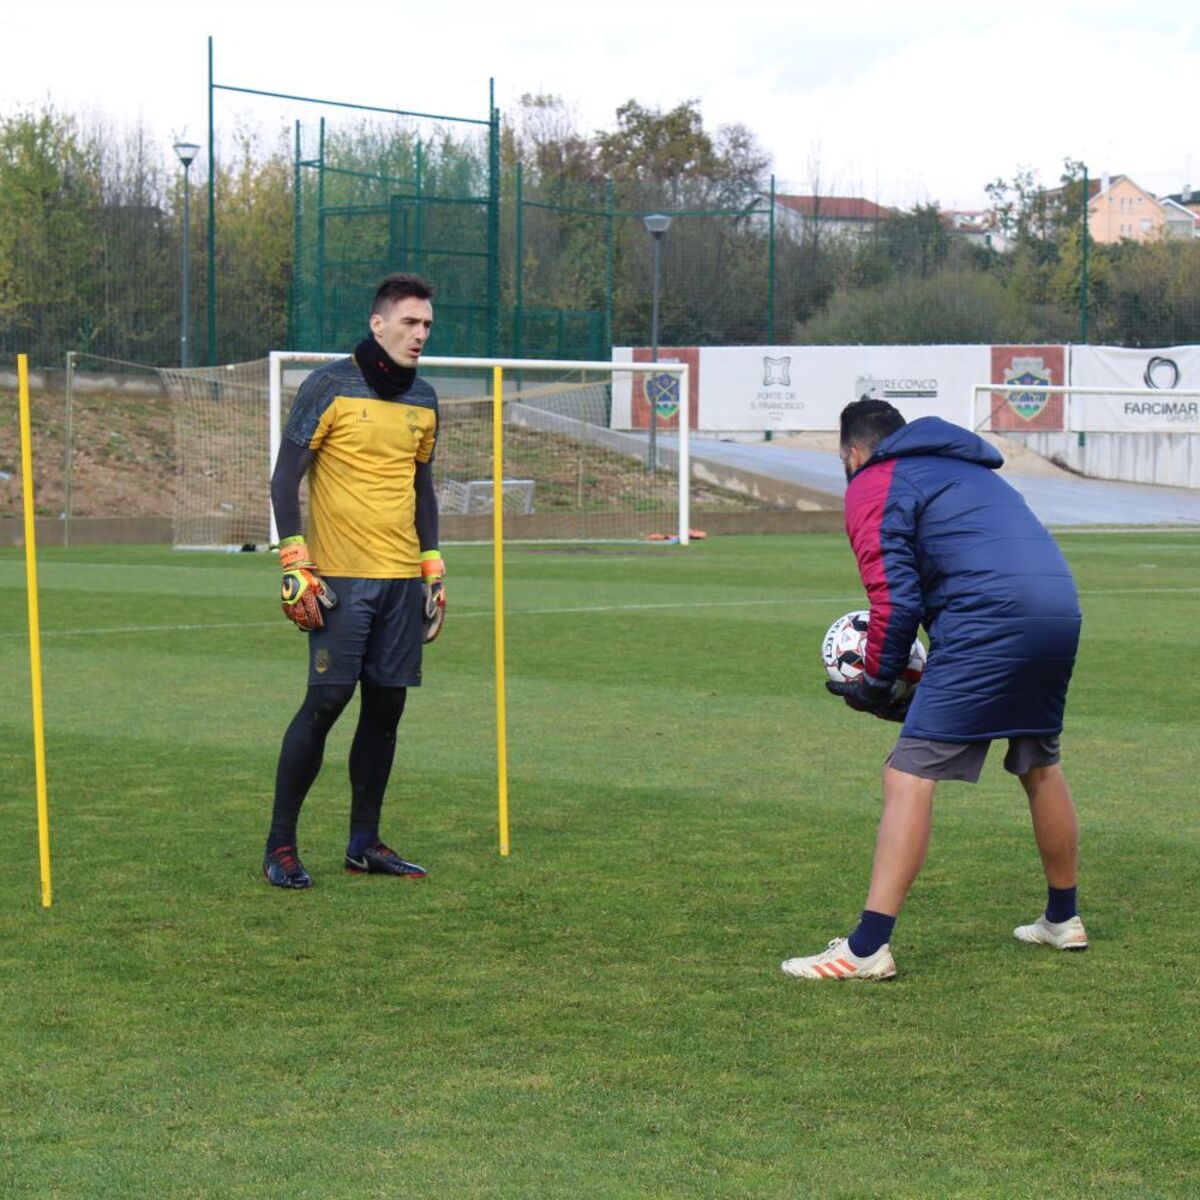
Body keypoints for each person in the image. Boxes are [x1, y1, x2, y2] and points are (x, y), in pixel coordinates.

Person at [782, 399, 1086, 980]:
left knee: (907, 773)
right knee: (1039, 763)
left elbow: (895, 601)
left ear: (851, 452)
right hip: (1058, 613)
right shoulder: (974, 470)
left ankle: (867, 949)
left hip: (987, 621)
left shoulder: (874, 480)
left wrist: (875, 684)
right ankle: (1062, 919)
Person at [262, 273, 446, 889]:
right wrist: (294, 558)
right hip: (338, 577)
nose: (420, 334)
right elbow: (285, 476)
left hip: (400, 580)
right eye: (410, 323)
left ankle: (363, 842)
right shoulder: (328, 384)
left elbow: (421, 487)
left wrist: (433, 566)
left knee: (386, 708)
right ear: (378, 324)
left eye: (426, 324)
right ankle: (280, 845)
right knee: (326, 704)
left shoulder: (425, 399)